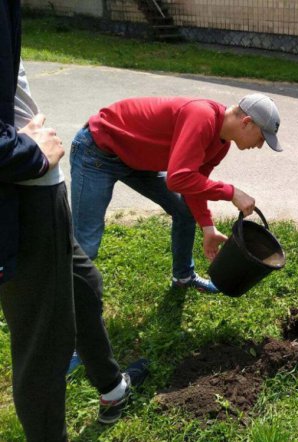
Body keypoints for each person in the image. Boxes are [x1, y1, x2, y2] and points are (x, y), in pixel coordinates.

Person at [1, 5, 146, 440]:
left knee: (85, 284)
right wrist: (24, 153)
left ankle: (112, 388)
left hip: (39, 188)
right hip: (20, 194)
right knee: (44, 344)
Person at [70, 93, 282, 283]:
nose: (260, 145)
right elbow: (178, 179)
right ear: (246, 122)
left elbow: (193, 184)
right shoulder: (202, 116)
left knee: (185, 211)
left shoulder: (221, 144)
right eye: (262, 138)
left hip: (138, 160)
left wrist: (207, 226)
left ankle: (183, 276)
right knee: (86, 245)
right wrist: (232, 193)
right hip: (98, 151)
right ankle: (71, 308)